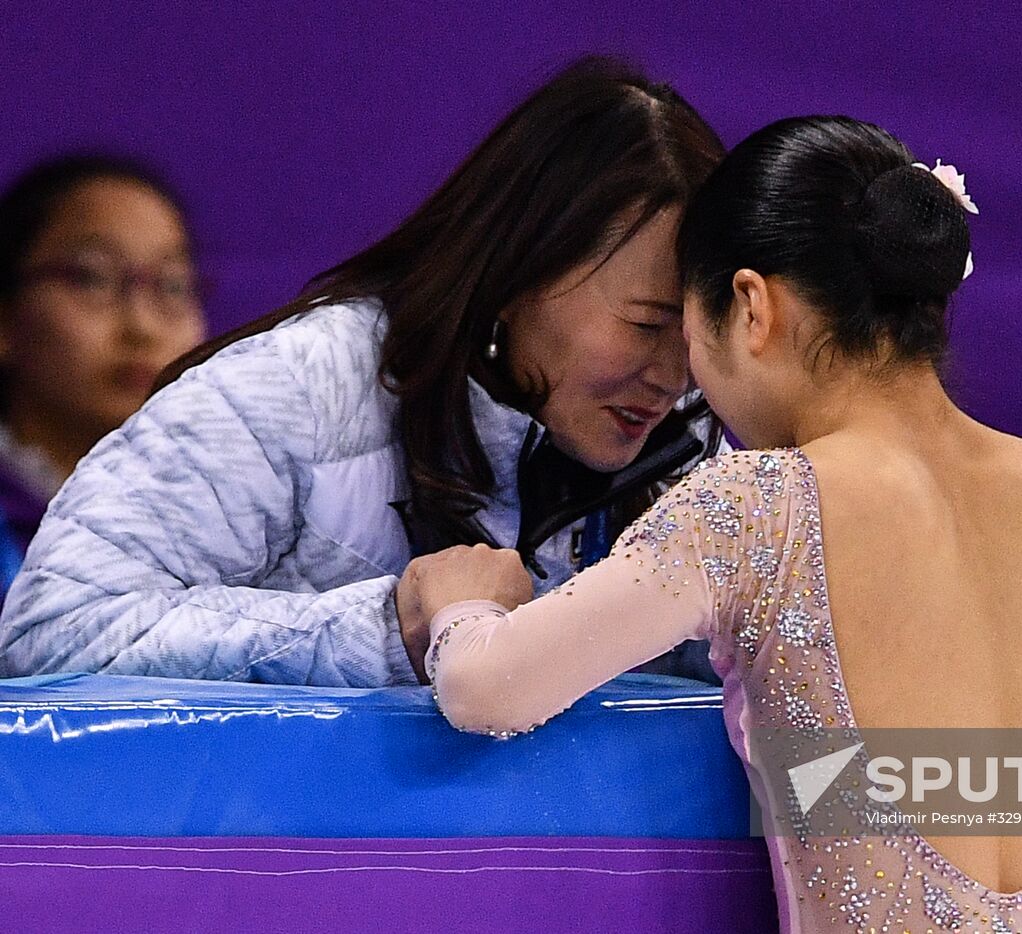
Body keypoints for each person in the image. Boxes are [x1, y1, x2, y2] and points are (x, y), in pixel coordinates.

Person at [414, 116, 1022, 932]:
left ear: (751, 306)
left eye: (687, 332)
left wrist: (461, 607)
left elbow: (488, 691)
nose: (690, 381)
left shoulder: (754, 509)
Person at [0, 57, 726, 686]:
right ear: (520, 272)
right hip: (282, 853)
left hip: (550, 855)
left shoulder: (703, 464)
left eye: (698, 337)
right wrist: (386, 629)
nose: (672, 376)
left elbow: (799, 717)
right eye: (646, 323)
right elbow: (49, 632)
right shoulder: (304, 389)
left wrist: (839, 826)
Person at [0, 156, 207, 602]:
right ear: (5, 316)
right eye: (92, 278)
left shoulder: (221, 517)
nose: (143, 327)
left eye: (172, 286)